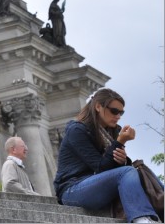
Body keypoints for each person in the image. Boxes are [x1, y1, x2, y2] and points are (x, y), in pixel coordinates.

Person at [54, 88, 161, 223]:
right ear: (98, 106)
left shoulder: (113, 130)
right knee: (127, 172)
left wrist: (123, 160)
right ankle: (141, 219)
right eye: (114, 111)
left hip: (98, 186)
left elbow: (112, 168)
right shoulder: (77, 130)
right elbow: (100, 167)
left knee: (139, 171)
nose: (118, 116)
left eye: (121, 112)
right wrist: (120, 142)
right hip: (72, 189)